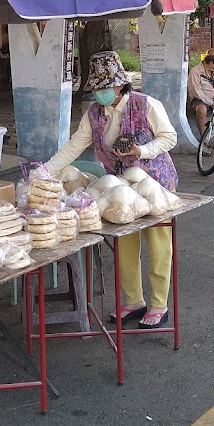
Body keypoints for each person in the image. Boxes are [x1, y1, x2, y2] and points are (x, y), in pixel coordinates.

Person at [45, 50, 178, 329]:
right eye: (97, 88)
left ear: (120, 84)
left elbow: (169, 138)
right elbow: (73, 146)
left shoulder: (146, 104)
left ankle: (159, 304)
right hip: (119, 188)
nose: (100, 93)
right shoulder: (94, 114)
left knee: (158, 246)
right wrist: (45, 172)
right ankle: (134, 301)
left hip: (154, 184)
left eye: (105, 86)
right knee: (124, 243)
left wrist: (142, 150)